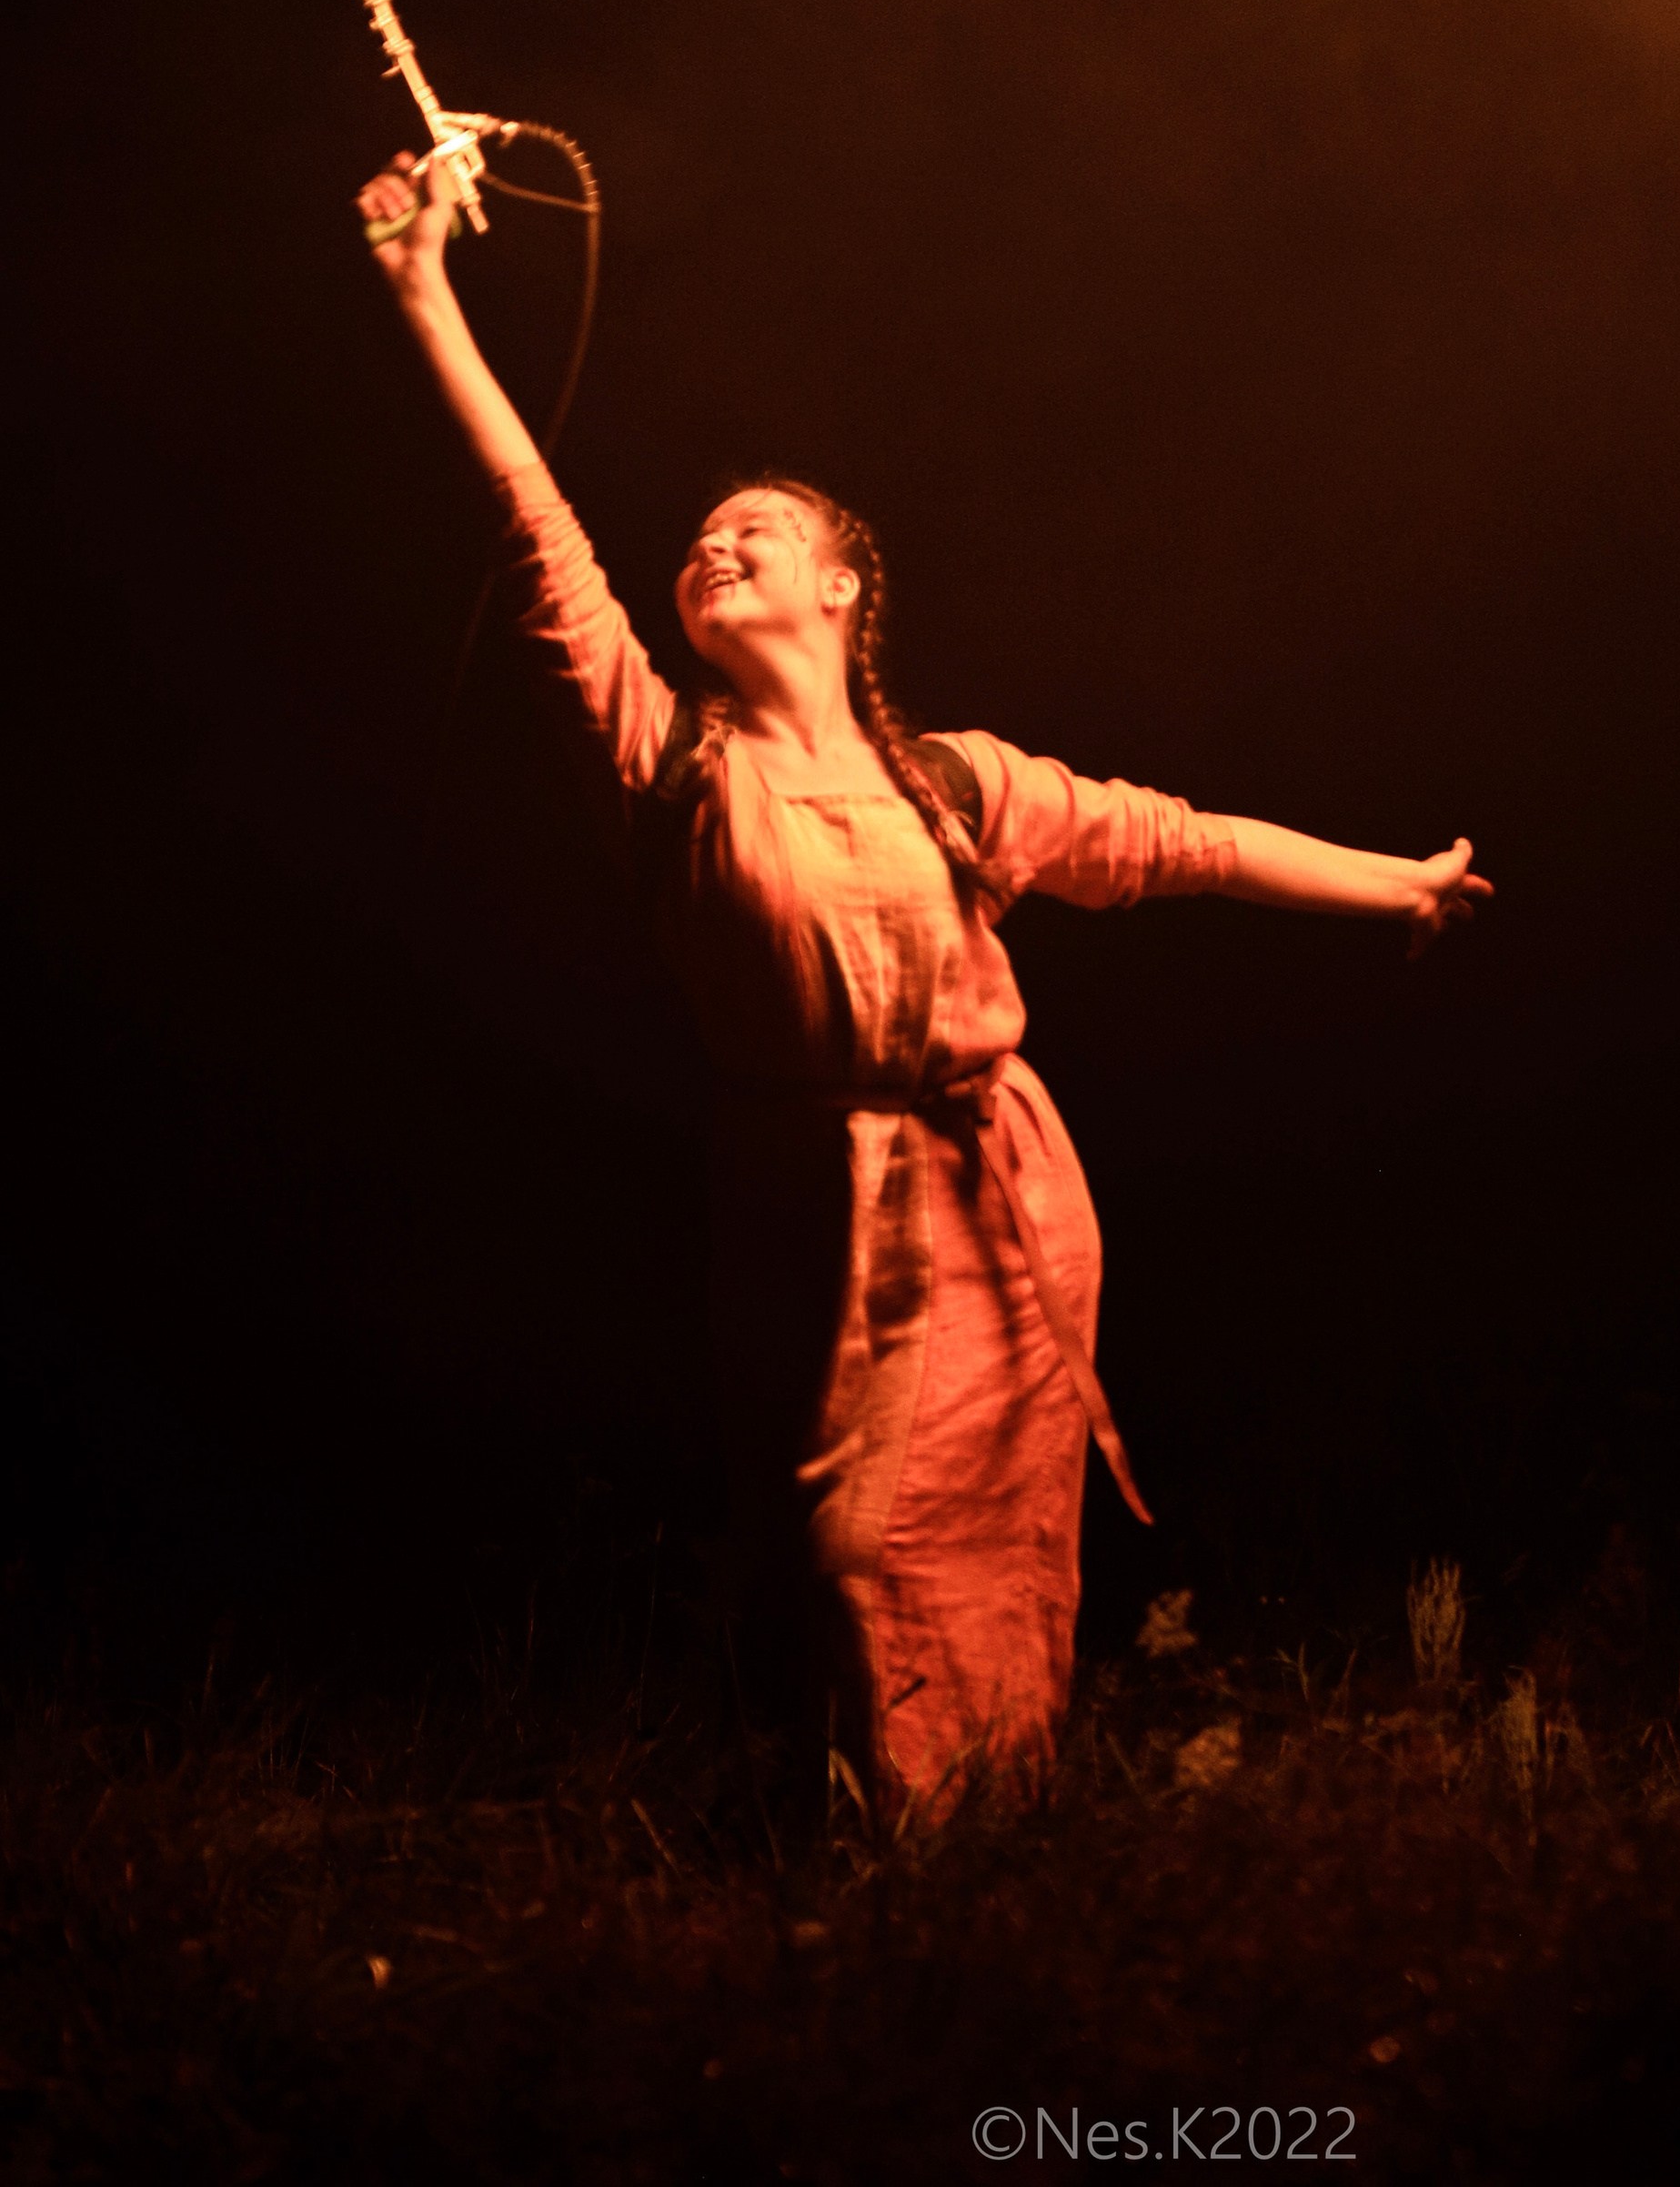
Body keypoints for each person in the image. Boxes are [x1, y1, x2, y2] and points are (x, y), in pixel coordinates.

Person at [355, 143, 1492, 1811]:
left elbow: (1178, 841)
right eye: (697, 543)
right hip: (804, 1204)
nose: (714, 546)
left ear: (841, 584)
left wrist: (1393, 881)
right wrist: (420, 290)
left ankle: (968, 1879)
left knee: (998, 1536)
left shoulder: (952, 781)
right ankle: (866, 1860)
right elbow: (537, 526)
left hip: (1003, 1196)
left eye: (756, 531)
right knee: (836, 1551)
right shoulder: (668, 760)